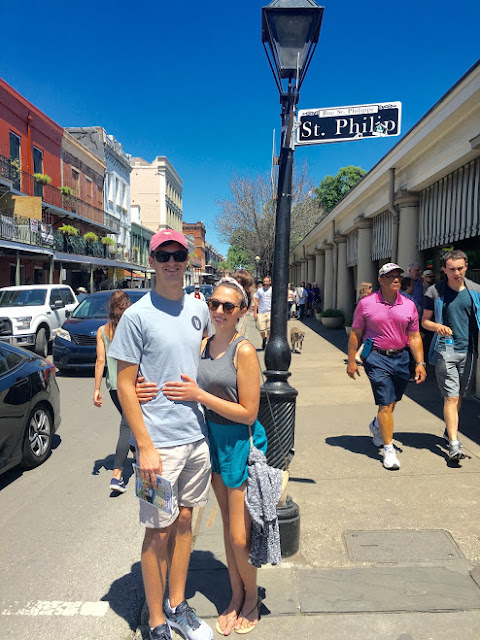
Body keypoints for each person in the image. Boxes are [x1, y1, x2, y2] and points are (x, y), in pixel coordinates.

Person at [109, 229, 213, 640]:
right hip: (158, 446)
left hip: (196, 438)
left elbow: (203, 354)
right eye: (163, 255)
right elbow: (124, 384)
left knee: (185, 521)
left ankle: (176, 604)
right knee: (158, 531)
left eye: (178, 255)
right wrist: (144, 447)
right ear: (151, 261)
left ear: (187, 260)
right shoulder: (136, 316)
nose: (171, 262)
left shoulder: (199, 309)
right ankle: (155, 620)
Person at [163, 271, 268, 635]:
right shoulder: (203, 344)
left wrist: (201, 396)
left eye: (228, 306)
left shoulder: (244, 350)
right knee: (226, 523)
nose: (220, 311)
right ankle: (236, 595)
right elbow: (177, 377)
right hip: (212, 441)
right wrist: (142, 386)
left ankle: (252, 598)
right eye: (214, 304)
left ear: (242, 311)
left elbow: (249, 413)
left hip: (239, 443)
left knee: (240, 534)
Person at [347, 263, 426, 470]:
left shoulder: (408, 304)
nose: (396, 279)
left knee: (392, 401)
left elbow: (414, 336)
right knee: (384, 402)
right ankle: (388, 449)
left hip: (401, 358)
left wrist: (420, 363)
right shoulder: (366, 303)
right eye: (390, 276)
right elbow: (356, 333)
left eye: (398, 276)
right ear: (380, 280)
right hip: (376, 358)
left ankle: (376, 426)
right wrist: (352, 361)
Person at [422, 250, 480, 461]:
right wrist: (437, 326)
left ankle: (449, 431)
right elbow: (425, 321)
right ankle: (454, 445)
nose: (457, 273)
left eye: (460, 268)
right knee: (451, 396)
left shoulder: (476, 291)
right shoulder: (435, 292)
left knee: (460, 395)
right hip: (445, 350)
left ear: (466, 267)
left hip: (469, 351)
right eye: (452, 269)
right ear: (444, 269)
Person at [93, 290, 134, 493]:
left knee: (131, 423)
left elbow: (100, 361)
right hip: (131, 385)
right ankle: (117, 476)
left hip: (112, 387)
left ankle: (138, 458)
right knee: (127, 426)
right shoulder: (131, 328)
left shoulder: (102, 331)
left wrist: (96, 389)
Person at [253, 276, 272, 350]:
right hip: (261, 312)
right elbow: (256, 301)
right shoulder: (260, 290)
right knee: (261, 329)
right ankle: (264, 339)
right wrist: (255, 313)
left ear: (270, 282)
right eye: (264, 281)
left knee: (269, 329)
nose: (265, 283)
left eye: (267, 281)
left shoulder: (272, 290)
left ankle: (268, 344)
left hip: (270, 312)